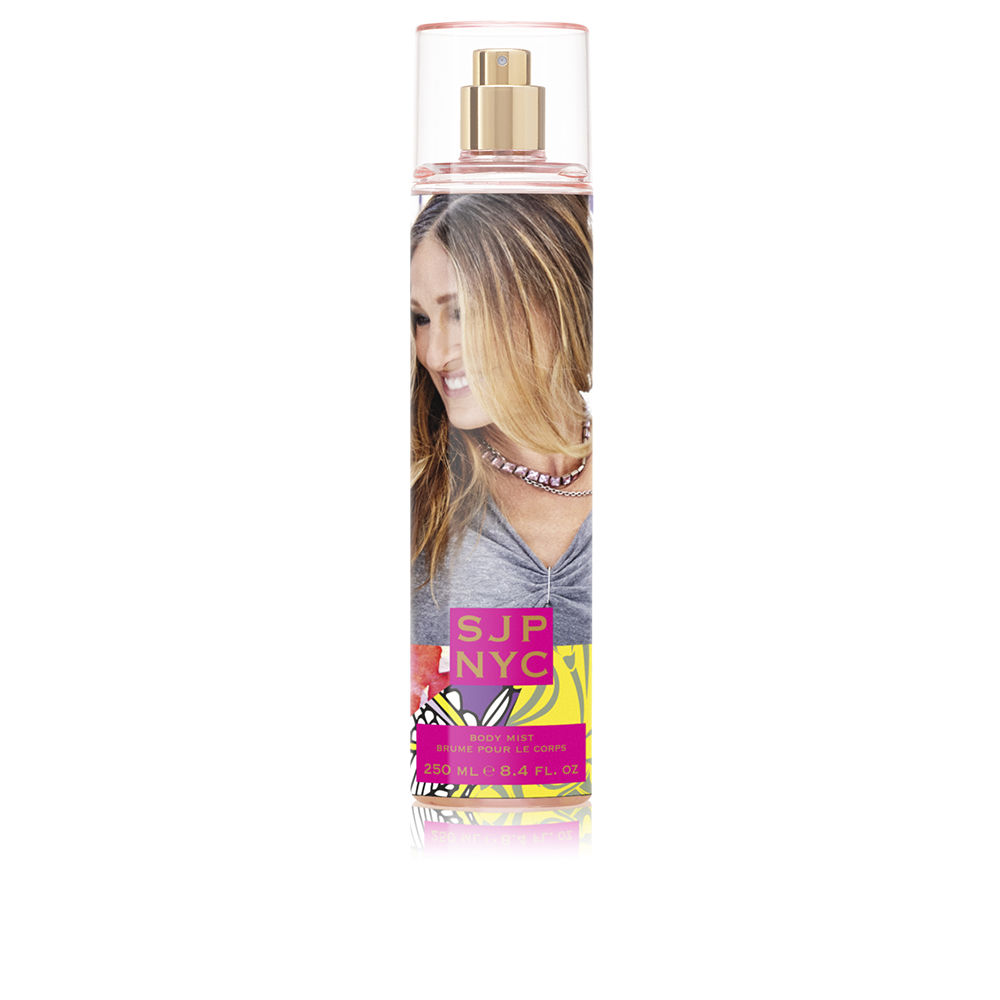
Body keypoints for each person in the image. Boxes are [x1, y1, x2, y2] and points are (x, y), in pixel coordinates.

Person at [410, 193, 593, 647]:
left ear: (551, 299)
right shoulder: (419, 492)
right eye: (421, 319)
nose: (435, 353)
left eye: (461, 312)